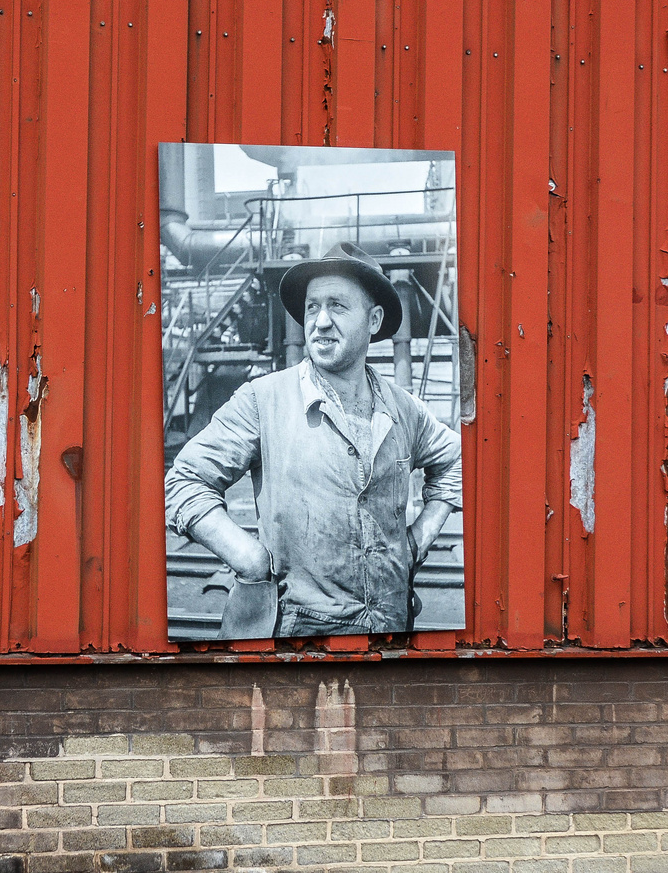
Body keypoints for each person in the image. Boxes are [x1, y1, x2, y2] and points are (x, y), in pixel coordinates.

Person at [165, 241, 462, 638]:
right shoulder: (262, 400)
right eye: (311, 307)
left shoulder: (404, 409)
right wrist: (251, 560)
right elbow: (184, 481)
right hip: (294, 639)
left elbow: (458, 458)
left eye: (337, 306)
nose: (320, 321)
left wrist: (420, 536)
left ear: (374, 320)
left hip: (389, 633)